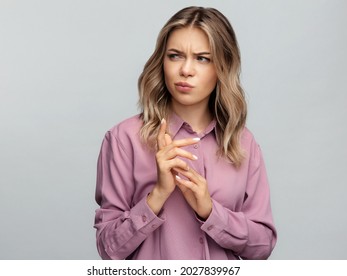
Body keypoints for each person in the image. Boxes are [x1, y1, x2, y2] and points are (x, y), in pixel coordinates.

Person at [94, 6, 277, 260]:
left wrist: (210, 211)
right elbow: (108, 249)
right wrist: (157, 195)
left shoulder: (243, 143)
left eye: (202, 58)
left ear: (222, 66)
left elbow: (263, 245)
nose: (186, 70)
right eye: (175, 56)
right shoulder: (124, 139)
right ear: (162, 61)